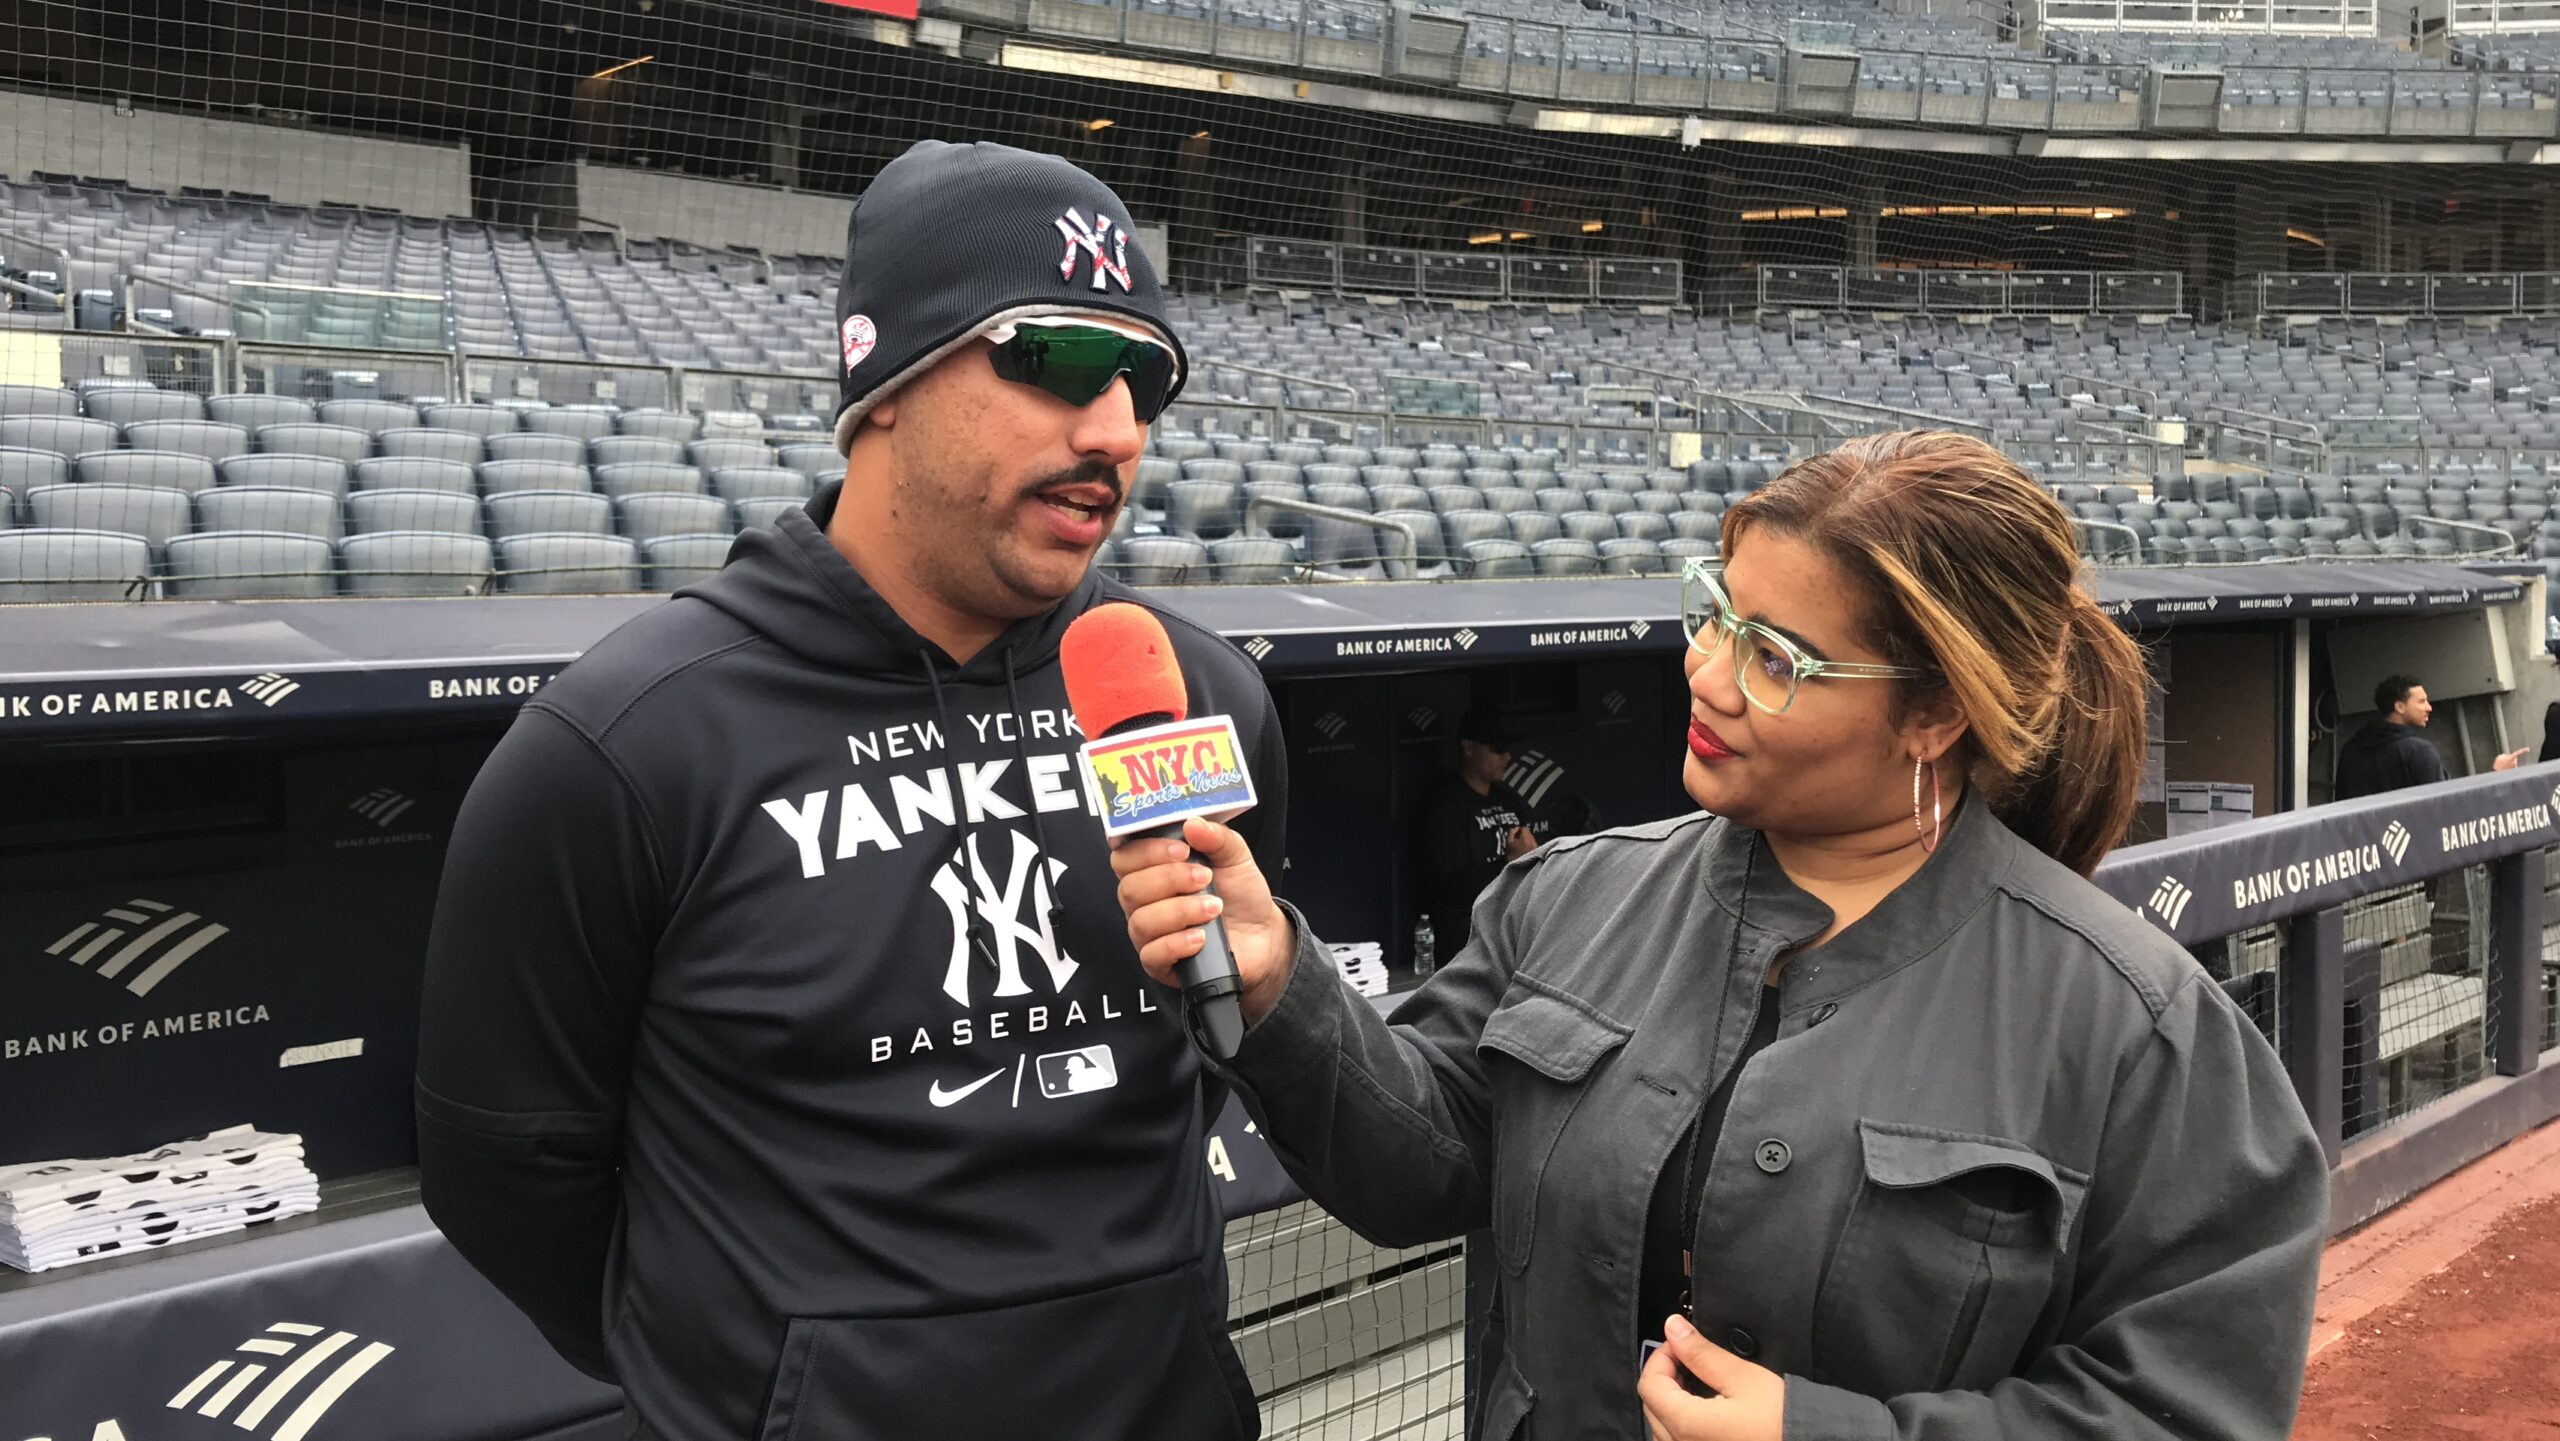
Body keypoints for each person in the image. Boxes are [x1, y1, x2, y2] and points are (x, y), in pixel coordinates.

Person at [1115, 431, 2329, 1440]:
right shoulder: (1565, 899)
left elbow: (2189, 1408)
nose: (1703, 673)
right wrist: (1285, 985)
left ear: (1934, 713)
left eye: (1775, 658)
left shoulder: (2135, 1023)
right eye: (1713, 614)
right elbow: (1421, 1166)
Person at [415, 140, 1284, 1441]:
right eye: (1049, 358)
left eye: (1143, 375)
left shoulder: (1201, 693)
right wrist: (767, 1380)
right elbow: (509, 1172)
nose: (1115, 427)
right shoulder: (627, 742)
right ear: (885, 380)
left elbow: (1217, 1050)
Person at [1417, 705, 1537, 960]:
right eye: (1497, 749)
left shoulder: (1509, 799)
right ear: (1468, 747)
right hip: (1468, 945)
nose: (1507, 758)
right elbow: (1449, 887)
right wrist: (1509, 862)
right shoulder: (1445, 805)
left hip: (1514, 936)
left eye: (1507, 749)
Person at [2335, 674, 2525, 800]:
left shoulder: (2351, 748)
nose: (2429, 707)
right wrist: (2496, 775)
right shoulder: (2418, 751)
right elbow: (2447, 803)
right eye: (2421, 701)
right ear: (2399, 707)